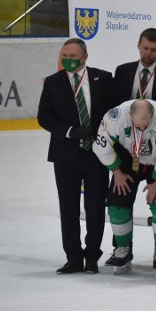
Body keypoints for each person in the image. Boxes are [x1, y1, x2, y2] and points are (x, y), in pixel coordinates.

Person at [37, 38, 114, 274]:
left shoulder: (104, 78)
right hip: (65, 155)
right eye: (65, 56)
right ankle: (73, 257)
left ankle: (92, 256)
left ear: (85, 57)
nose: (68, 60)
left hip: (96, 155)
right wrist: (70, 132)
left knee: (94, 207)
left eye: (73, 56)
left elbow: (114, 113)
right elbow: (44, 117)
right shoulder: (53, 82)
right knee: (68, 207)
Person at [93, 99, 156, 276]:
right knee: (117, 203)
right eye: (138, 126)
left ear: (153, 115)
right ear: (129, 115)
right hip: (129, 161)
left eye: (145, 125)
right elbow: (101, 146)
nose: (141, 129)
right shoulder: (114, 117)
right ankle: (123, 248)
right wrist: (116, 171)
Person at [113, 28, 156, 108]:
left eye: (153, 50)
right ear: (139, 46)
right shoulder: (122, 71)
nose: (148, 53)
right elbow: (114, 100)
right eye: (145, 48)